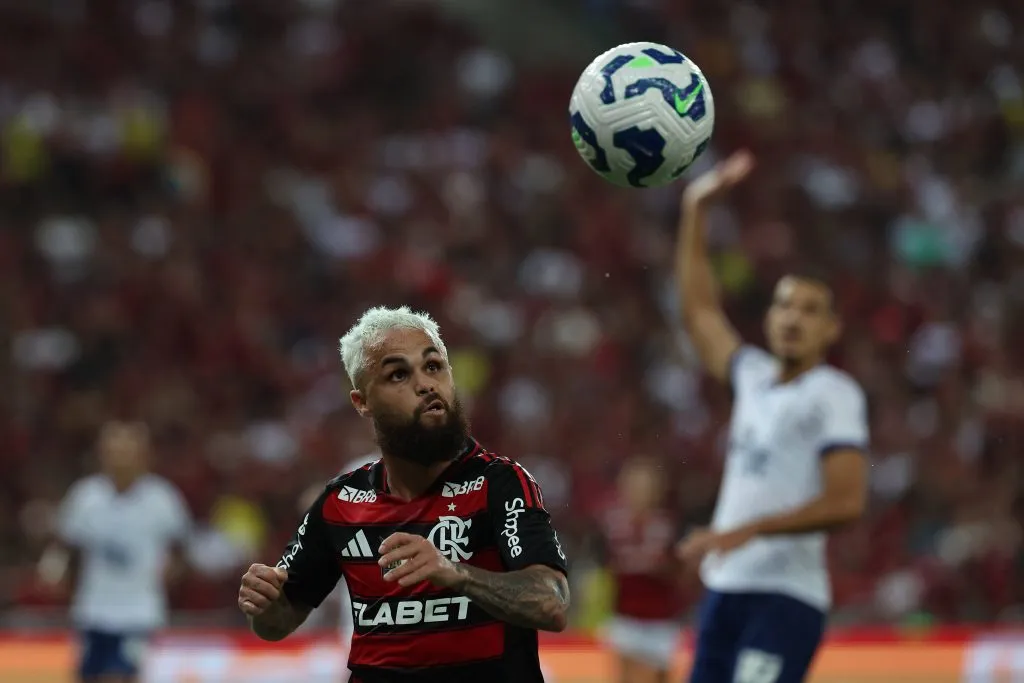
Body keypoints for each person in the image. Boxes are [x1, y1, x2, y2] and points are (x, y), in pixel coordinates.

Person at [237, 306, 570, 683]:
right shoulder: (340, 503)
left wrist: (456, 574)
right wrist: (264, 602)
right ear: (362, 402)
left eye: (434, 366)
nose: (426, 384)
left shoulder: (500, 483)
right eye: (398, 374)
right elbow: (277, 624)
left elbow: (552, 603)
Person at [674, 151, 870, 683]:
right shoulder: (752, 376)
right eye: (785, 306)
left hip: (786, 597)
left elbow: (846, 501)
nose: (794, 319)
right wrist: (696, 208)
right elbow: (699, 312)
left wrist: (748, 531)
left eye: (810, 310)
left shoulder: (834, 393)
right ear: (768, 317)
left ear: (832, 329)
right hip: (724, 590)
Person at [39, 421, 192, 683]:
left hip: (138, 613)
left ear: (144, 455)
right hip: (92, 611)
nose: (120, 458)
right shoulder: (86, 496)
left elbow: (181, 549)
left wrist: (171, 571)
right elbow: (66, 547)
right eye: (114, 450)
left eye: (127, 450)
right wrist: (55, 572)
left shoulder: (162, 498)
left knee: (119, 677)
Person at [599, 457, 686, 683]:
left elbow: (678, 571)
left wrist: (656, 566)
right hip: (626, 615)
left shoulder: (666, 525)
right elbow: (607, 566)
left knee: (659, 677)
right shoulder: (613, 524)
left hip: (660, 619)